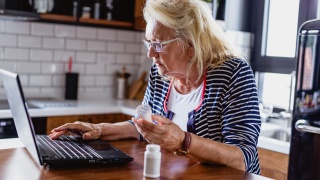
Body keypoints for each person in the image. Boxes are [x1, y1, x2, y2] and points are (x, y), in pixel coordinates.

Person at [50, 0, 261, 175]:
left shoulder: (234, 74)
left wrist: (183, 141)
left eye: (158, 44)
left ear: (190, 43)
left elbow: (242, 158)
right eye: (148, 43)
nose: (151, 53)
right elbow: (145, 127)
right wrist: (100, 129)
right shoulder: (161, 74)